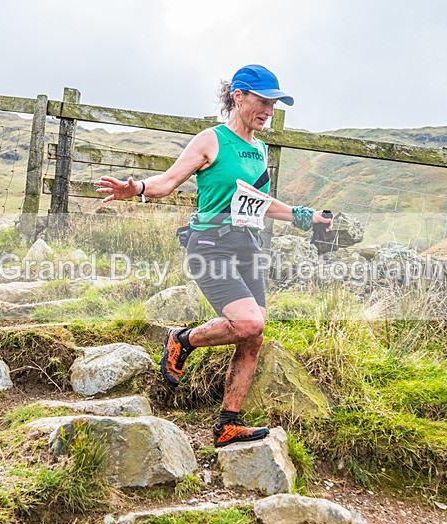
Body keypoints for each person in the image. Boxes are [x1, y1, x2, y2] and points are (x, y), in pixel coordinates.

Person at [96, 64, 332, 447]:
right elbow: (167, 182)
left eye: (273, 104)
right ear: (238, 96)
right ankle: (183, 339)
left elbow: (260, 202)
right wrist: (137, 187)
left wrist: (306, 217)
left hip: (246, 248)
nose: (269, 111)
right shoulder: (211, 139)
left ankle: (227, 424)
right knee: (249, 323)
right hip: (210, 245)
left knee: (253, 335)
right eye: (263, 101)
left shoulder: (259, 149)